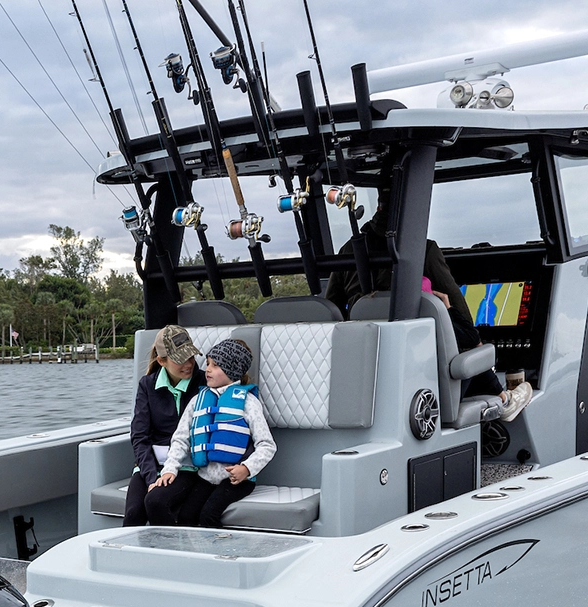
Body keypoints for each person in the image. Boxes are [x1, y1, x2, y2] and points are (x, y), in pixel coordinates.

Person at [324, 198, 534, 421]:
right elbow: (464, 319)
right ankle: (505, 400)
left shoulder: (348, 251)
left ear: (378, 207)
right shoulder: (423, 250)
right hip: (425, 382)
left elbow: (332, 308)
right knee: (473, 348)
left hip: (364, 377)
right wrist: (453, 315)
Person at [148, 338, 276, 528]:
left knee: (208, 515)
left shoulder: (248, 403)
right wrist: (169, 469)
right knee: (186, 516)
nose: (207, 369)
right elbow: (180, 440)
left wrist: (247, 469)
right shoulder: (197, 401)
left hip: (237, 480)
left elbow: (267, 445)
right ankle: (189, 555)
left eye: (215, 365)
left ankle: (219, 554)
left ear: (232, 370)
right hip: (205, 477)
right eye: (208, 364)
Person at [123, 325, 204, 525]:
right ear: (162, 361)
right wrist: (151, 478)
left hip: (187, 466)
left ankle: (174, 554)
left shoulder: (204, 384)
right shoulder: (147, 385)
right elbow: (140, 437)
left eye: (191, 357)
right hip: (151, 465)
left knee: (156, 501)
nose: (189, 364)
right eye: (180, 359)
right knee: (134, 513)